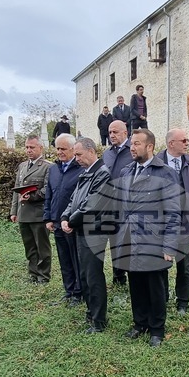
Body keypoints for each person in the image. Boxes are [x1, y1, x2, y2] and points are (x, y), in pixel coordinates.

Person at [113, 129, 180, 347]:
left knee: (155, 286)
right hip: (130, 240)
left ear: (150, 147)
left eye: (137, 144)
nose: (132, 148)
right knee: (136, 283)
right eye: (131, 144)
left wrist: (169, 246)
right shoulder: (126, 172)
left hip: (154, 240)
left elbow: (173, 212)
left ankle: (157, 329)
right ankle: (139, 322)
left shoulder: (165, 173)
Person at [61, 138, 112, 334]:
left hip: (94, 232)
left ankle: (99, 321)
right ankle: (91, 314)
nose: (76, 159)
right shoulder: (87, 173)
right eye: (75, 155)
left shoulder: (103, 174)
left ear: (91, 151)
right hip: (81, 230)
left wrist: (71, 221)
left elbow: (92, 205)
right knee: (84, 275)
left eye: (79, 155)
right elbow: (74, 199)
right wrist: (65, 216)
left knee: (93, 276)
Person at [157, 128, 189, 316]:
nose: (187, 142)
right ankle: (162, 298)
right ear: (171, 144)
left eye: (187, 140)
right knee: (161, 263)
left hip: (186, 223)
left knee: (183, 266)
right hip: (162, 223)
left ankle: (183, 302)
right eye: (183, 140)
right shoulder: (156, 163)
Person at [43, 133, 82, 306]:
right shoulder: (53, 169)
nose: (59, 152)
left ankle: (79, 292)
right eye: (57, 148)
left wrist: (73, 220)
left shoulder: (81, 169)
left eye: (63, 149)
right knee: (64, 260)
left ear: (73, 149)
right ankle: (69, 290)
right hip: (57, 222)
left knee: (76, 259)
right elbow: (49, 194)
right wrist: (48, 217)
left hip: (73, 224)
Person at [10, 135, 52, 284]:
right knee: (29, 246)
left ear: (41, 148)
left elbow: (48, 189)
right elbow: (16, 190)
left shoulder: (48, 166)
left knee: (42, 247)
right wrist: (14, 211)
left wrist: (33, 196)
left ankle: (43, 276)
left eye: (32, 147)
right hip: (24, 213)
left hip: (38, 214)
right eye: (27, 147)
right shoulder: (22, 166)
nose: (29, 150)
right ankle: (33, 274)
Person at [102, 120, 133, 287]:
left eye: (115, 132)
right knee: (114, 242)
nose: (112, 135)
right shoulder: (107, 154)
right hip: (110, 206)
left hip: (129, 207)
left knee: (128, 243)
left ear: (125, 133)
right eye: (110, 132)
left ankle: (134, 278)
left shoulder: (133, 151)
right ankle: (118, 278)